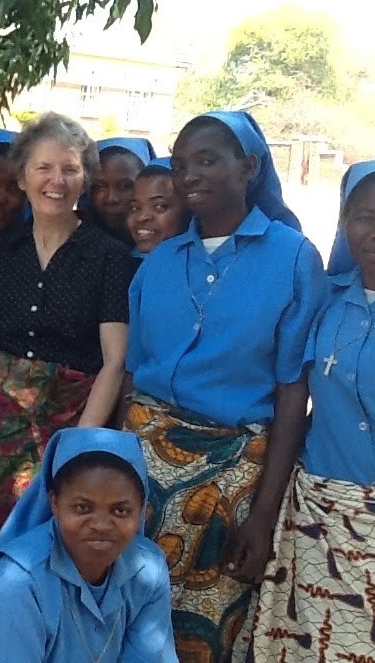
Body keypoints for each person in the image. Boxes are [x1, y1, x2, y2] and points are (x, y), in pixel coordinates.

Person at [120, 110, 327, 662]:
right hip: (142, 473)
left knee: (206, 626)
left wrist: (263, 515)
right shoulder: (159, 262)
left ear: (250, 167)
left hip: (233, 479)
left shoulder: (293, 259)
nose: (189, 174)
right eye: (182, 163)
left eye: (208, 159)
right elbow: (131, 380)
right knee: (125, 615)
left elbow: (291, 393)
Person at [0, 113, 136, 598]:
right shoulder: (0, 249)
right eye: (43, 168)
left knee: (51, 543)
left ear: (85, 176)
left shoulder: (108, 257)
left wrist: (76, 447)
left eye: (70, 169)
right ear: (21, 175)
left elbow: (114, 360)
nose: (57, 181)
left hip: (70, 415)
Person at [241, 160, 375, 662]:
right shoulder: (326, 300)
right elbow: (298, 402)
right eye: (366, 216)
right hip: (318, 518)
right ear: (345, 223)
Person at [0, 427, 177, 663]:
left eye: (120, 510)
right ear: (54, 503)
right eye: (82, 508)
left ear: (141, 510)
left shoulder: (148, 569)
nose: (101, 524)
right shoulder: (17, 585)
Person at [88, 137, 156, 245]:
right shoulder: (76, 244)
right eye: (99, 186)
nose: (111, 199)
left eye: (125, 186)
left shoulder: (169, 246)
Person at [126, 158, 190, 257]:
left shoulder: (199, 267)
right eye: (134, 208)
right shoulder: (125, 263)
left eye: (159, 206)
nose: (142, 217)